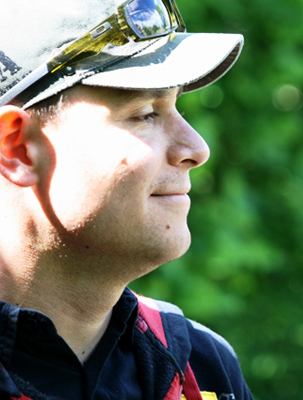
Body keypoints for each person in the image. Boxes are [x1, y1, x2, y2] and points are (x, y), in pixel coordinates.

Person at [0, 0, 253, 399]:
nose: (197, 148)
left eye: (175, 105)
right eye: (145, 113)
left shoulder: (202, 367)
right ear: (18, 148)